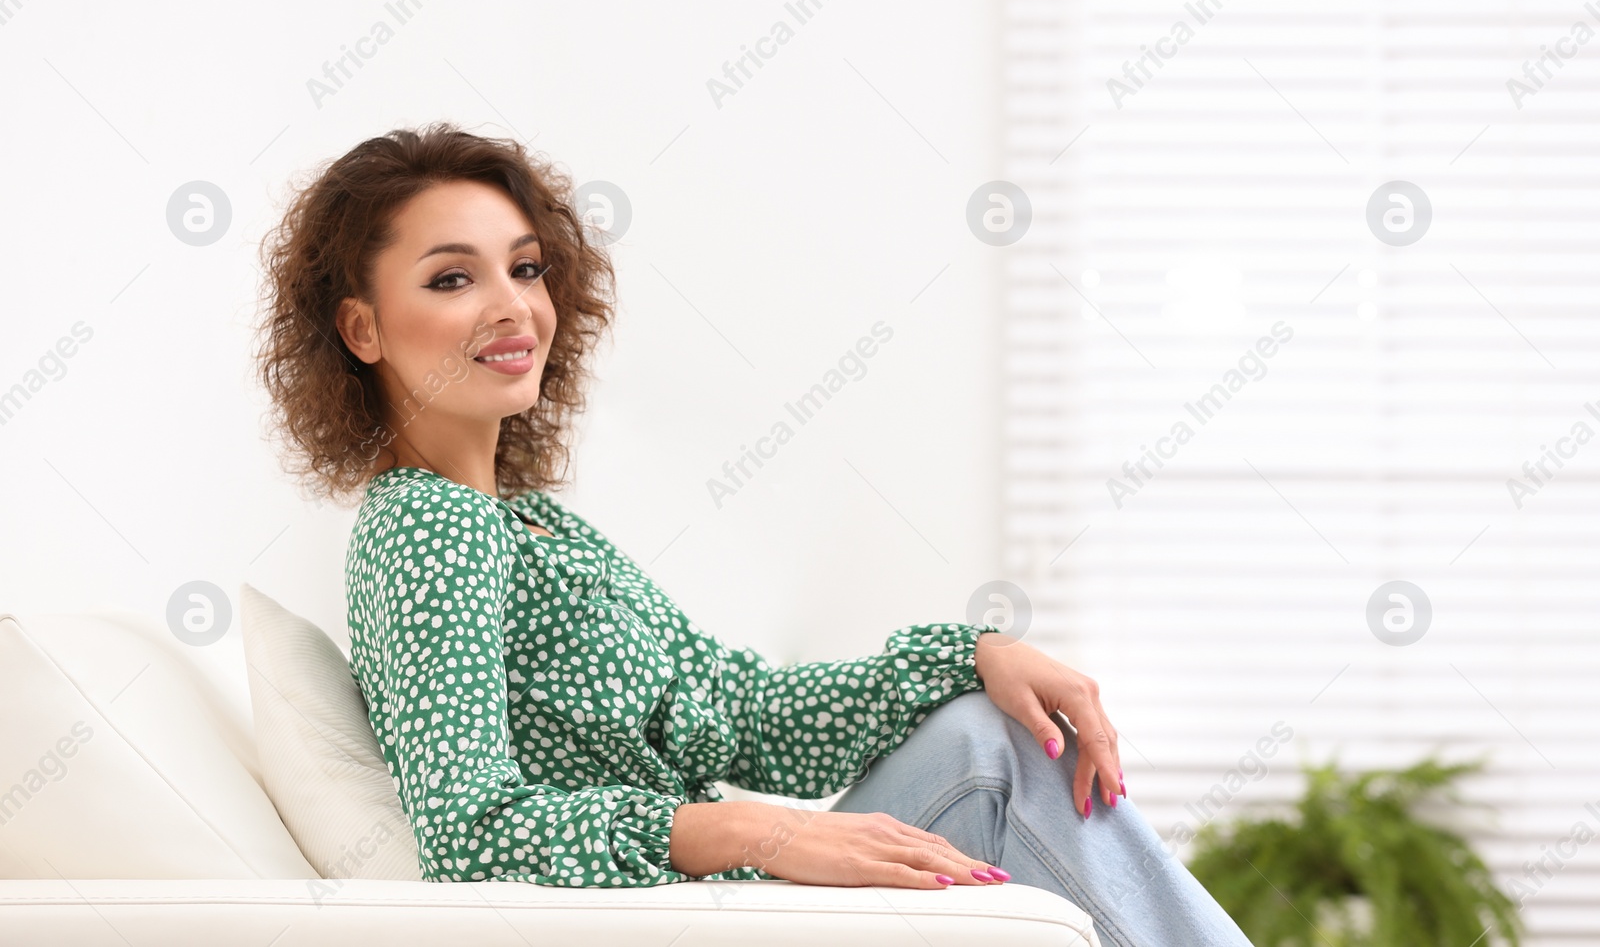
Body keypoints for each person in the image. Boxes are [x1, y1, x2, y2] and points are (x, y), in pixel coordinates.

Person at [254, 121, 1254, 946]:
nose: (513, 305)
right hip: (665, 919)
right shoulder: (427, 527)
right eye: (450, 279)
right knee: (991, 753)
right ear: (361, 330)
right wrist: (747, 830)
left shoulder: (525, 526)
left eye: (525, 266)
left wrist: (969, 652)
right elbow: (471, 835)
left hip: (706, 898)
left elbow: (736, 713)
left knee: (982, 729)